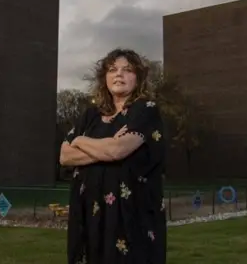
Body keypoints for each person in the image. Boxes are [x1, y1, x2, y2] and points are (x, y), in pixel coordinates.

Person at [59, 48, 166, 264]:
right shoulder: (90, 115)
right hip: (89, 217)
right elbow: (64, 156)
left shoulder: (145, 110)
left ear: (138, 78)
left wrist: (81, 141)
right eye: (112, 70)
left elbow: (118, 150)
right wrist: (105, 148)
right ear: (104, 78)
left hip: (130, 217)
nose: (119, 74)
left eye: (127, 70)